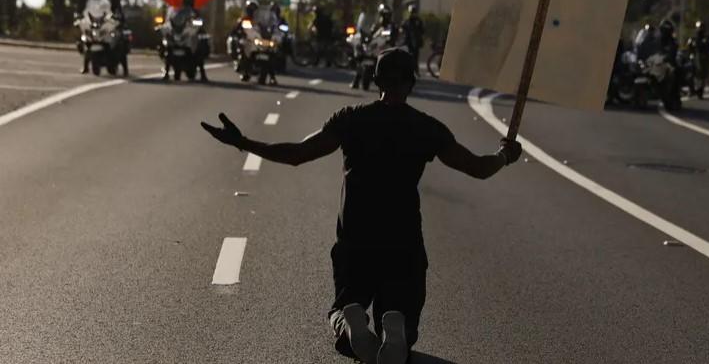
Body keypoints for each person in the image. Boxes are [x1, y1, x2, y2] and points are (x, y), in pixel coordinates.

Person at [201, 48, 523, 364]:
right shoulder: (427, 128)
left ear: (375, 80)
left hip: (355, 237)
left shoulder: (351, 119)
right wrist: (505, 155)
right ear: (412, 83)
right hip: (404, 240)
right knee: (403, 322)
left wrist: (243, 142)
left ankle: (348, 318)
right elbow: (478, 168)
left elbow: (297, 154)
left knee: (344, 318)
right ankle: (396, 323)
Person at [658, 19, 681, 110]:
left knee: (673, 73)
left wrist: (668, 56)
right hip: (656, 61)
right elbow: (650, 47)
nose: (665, 32)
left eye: (666, 30)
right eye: (664, 29)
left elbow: (673, 51)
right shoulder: (657, 39)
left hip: (668, 63)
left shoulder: (672, 41)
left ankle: (674, 95)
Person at [401, 5, 425, 76]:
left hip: (415, 43)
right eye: (412, 12)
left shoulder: (418, 21)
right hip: (408, 42)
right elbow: (402, 29)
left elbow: (422, 30)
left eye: (414, 12)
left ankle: (416, 71)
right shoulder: (407, 21)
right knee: (408, 57)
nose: (413, 14)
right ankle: (408, 71)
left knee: (415, 57)